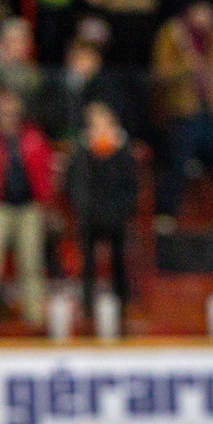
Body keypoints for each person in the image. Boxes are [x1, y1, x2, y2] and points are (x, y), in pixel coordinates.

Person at [152, 0, 213, 233]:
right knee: (177, 163)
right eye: (198, 10)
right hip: (186, 111)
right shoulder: (172, 33)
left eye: (208, 10)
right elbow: (161, 74)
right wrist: (186, 65)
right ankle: (166, 214)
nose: (203, 16)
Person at [0, 86, 55, 333]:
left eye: (11, 106)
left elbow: (44, 173)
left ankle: (35, 321)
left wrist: (46, 203)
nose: (7, 112)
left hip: (28, 208)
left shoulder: (32, 137)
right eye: (2, 107)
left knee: (31, 265)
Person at [66, 101, 138, 321]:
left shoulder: (123, 152)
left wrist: (122, 209)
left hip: (116, 215)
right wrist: (83, 208)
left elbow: (131, 185)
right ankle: (87, 305)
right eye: (94, 124)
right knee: (87, 259)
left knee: (119, 257)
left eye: (103, 122)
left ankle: (122, 303)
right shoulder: (81, 153)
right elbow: (73, 184)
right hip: (90, 215)